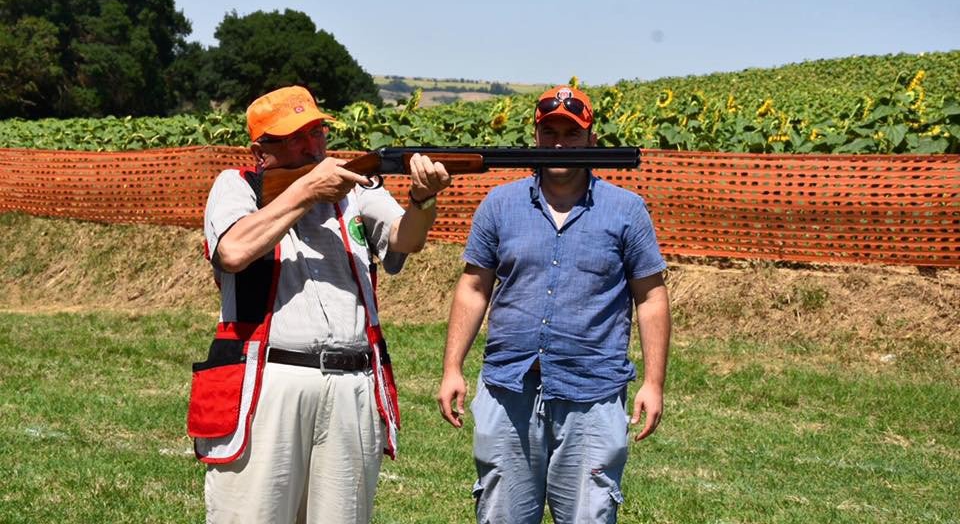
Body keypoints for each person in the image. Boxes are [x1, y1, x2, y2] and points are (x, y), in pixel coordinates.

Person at [187, 85, 452, 524]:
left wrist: (422, 200)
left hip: (352, 382)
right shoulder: (237, 186)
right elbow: (232, 250)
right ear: (260, 151)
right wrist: (308, 191)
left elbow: (407, 238)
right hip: (269, 380)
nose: (312, 146)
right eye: (295, 137)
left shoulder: (355, 191)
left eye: (316, 132)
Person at [436, 84, 671, 523]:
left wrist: (653, 383)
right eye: (550, 132)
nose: (559, 143)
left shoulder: (626, 210)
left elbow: (651, 297)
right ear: (536, 137)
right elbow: (473, 287)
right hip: (509, 387)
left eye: (571, 133)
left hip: (593, 392)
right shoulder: (500, 204)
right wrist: (453, 367)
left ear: (591, 140)